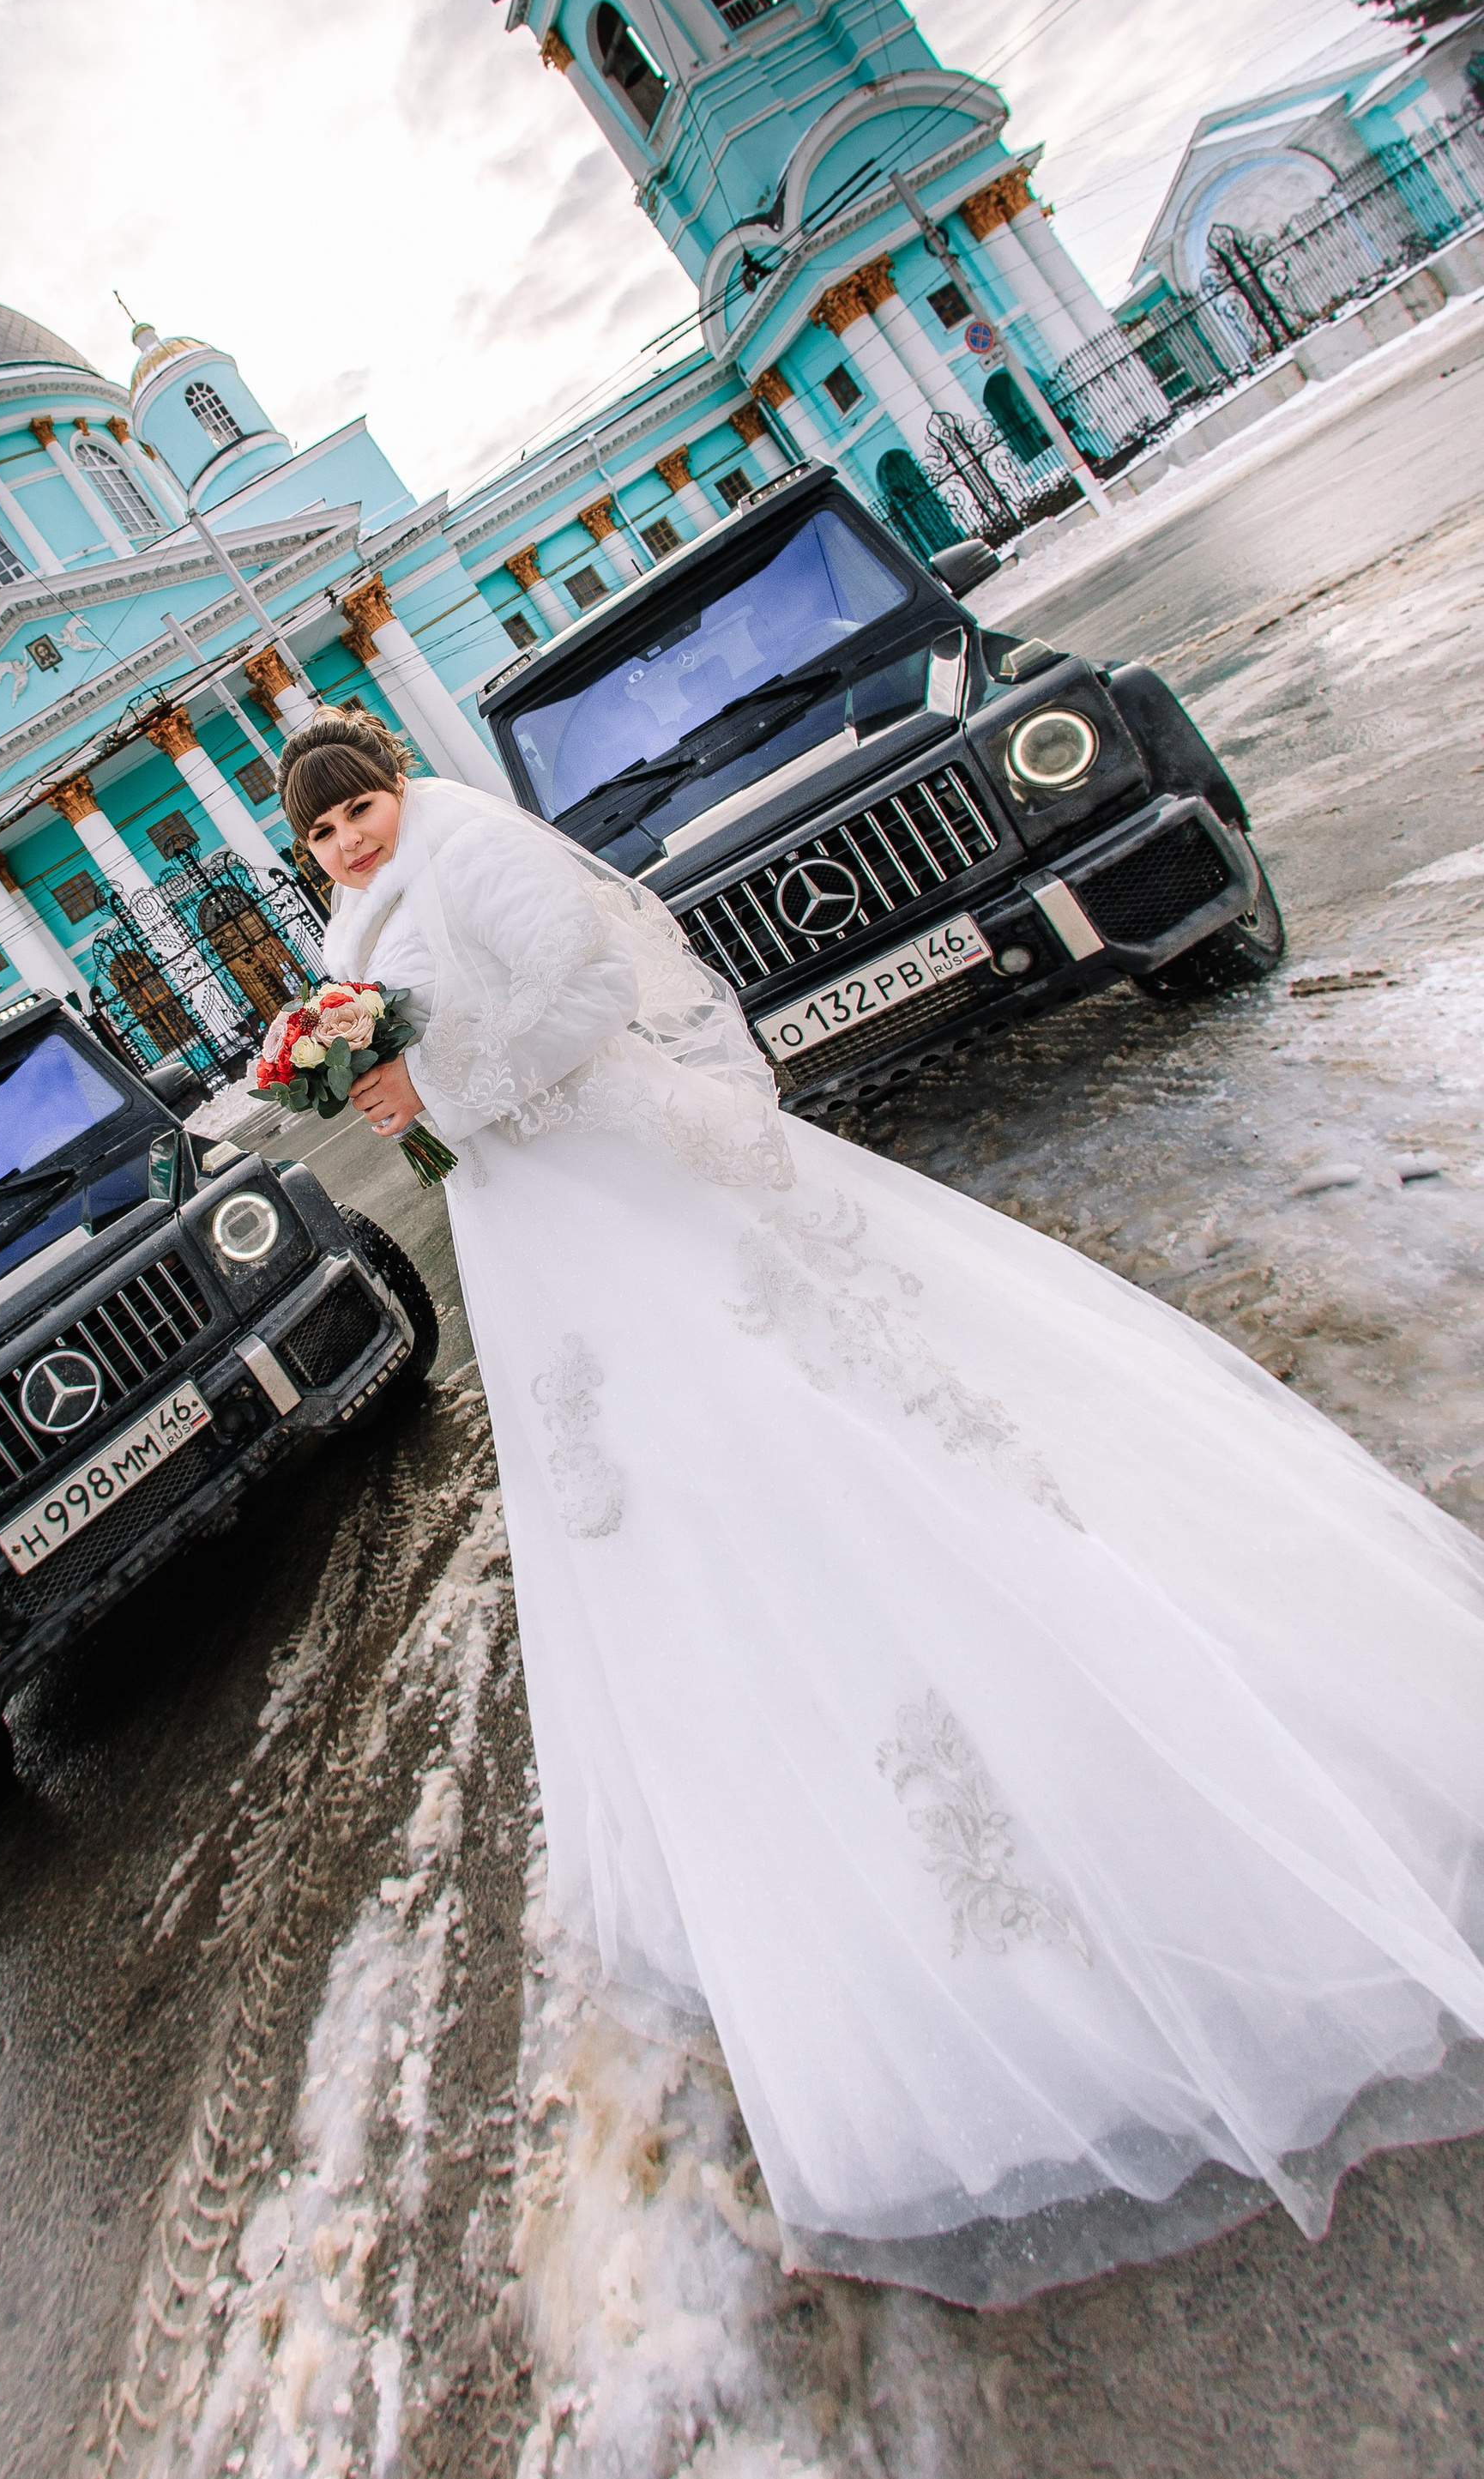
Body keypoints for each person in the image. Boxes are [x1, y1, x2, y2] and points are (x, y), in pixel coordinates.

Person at [274, 704, 1484, 2307]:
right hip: (549, 1235)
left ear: (395, 787)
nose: (347, 841)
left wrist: (438, 1086)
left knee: (807, 1428)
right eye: (318, 834)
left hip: (614, 1188)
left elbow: (579, 993)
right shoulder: (366, 914)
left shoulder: (479, 848)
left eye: (356, 808)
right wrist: (395, 1083)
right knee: (665, 1510)